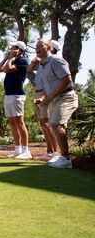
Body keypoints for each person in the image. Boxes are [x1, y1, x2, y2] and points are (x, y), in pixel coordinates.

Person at [34, 39, 78, 168]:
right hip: (55, 99)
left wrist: (50, 97)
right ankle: (62, 156)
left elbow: (66, 80)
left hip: (66, 97)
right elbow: (49, 87)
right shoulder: (42, 66)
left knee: (55, 124)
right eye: (36, 46)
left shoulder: (56, 60)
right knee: (55, 126)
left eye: (40, 45)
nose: (37, 47)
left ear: (49, 48)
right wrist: (42, 98)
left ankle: (66, 159)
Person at [0, 41, 32, 159]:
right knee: (12, 123)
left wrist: (10, 57)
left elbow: (7, 69)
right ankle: (18, 149)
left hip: (17, 95)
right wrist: (7, 57)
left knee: (19, 122)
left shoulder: (23, 61)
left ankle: (26, 150)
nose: (11, 48)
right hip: (9, 94)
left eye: (13, 47)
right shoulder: (13, 60)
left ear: (20, 50)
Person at [27, 55, 59, 160]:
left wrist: (44, 96)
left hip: (45, 93)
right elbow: (29, 69)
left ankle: (56, 152)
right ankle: (49, 151)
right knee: (42, 124)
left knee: (47, 123)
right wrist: (34, 62)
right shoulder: (41, 64)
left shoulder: (52, 63)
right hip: (37, 93)